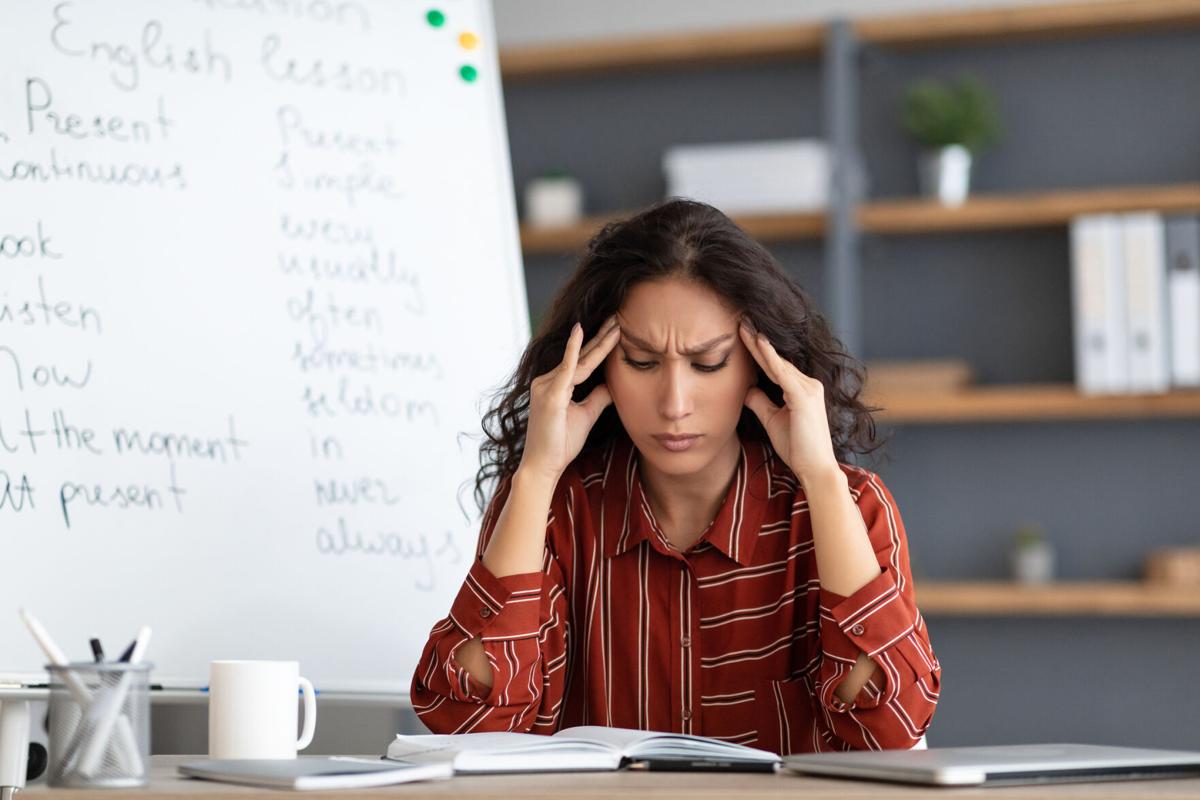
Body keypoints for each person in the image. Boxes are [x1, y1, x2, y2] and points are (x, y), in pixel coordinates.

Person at [411, 199, 940, 753]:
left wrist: (822, 478)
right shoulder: (551, 508)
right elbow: (468, 724)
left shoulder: (850, 506)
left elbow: (889, 731)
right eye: (641, 362)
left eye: (708, 364)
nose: (674, 403)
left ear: (761, 365)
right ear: (597, 366)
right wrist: (538, 472)